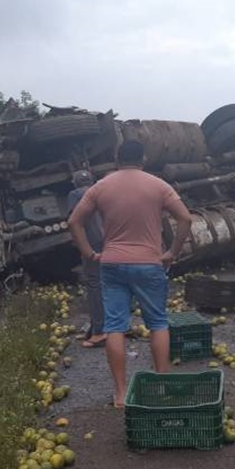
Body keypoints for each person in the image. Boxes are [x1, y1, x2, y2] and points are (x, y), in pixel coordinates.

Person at [69, 139, 192, 409]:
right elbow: (185, 218)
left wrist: (89, 253)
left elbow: (74, 221)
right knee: (158, 323)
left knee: (115, 327)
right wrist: (172, 251)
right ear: (144, 159)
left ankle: (121, 393)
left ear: (117, 159)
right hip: (149, 263)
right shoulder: (158, 185)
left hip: (112, 264)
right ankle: (162, 386)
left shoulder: (101, 186)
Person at [67, 169, 106, 349]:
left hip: (91, 243)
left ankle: (99, 331)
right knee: (110, 283)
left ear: (74, 183)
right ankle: (111, 326)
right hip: (108, 240)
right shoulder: (101, 190)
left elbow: (75, 221)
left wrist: (84, 249)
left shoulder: (75, 195)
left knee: (94, 285)